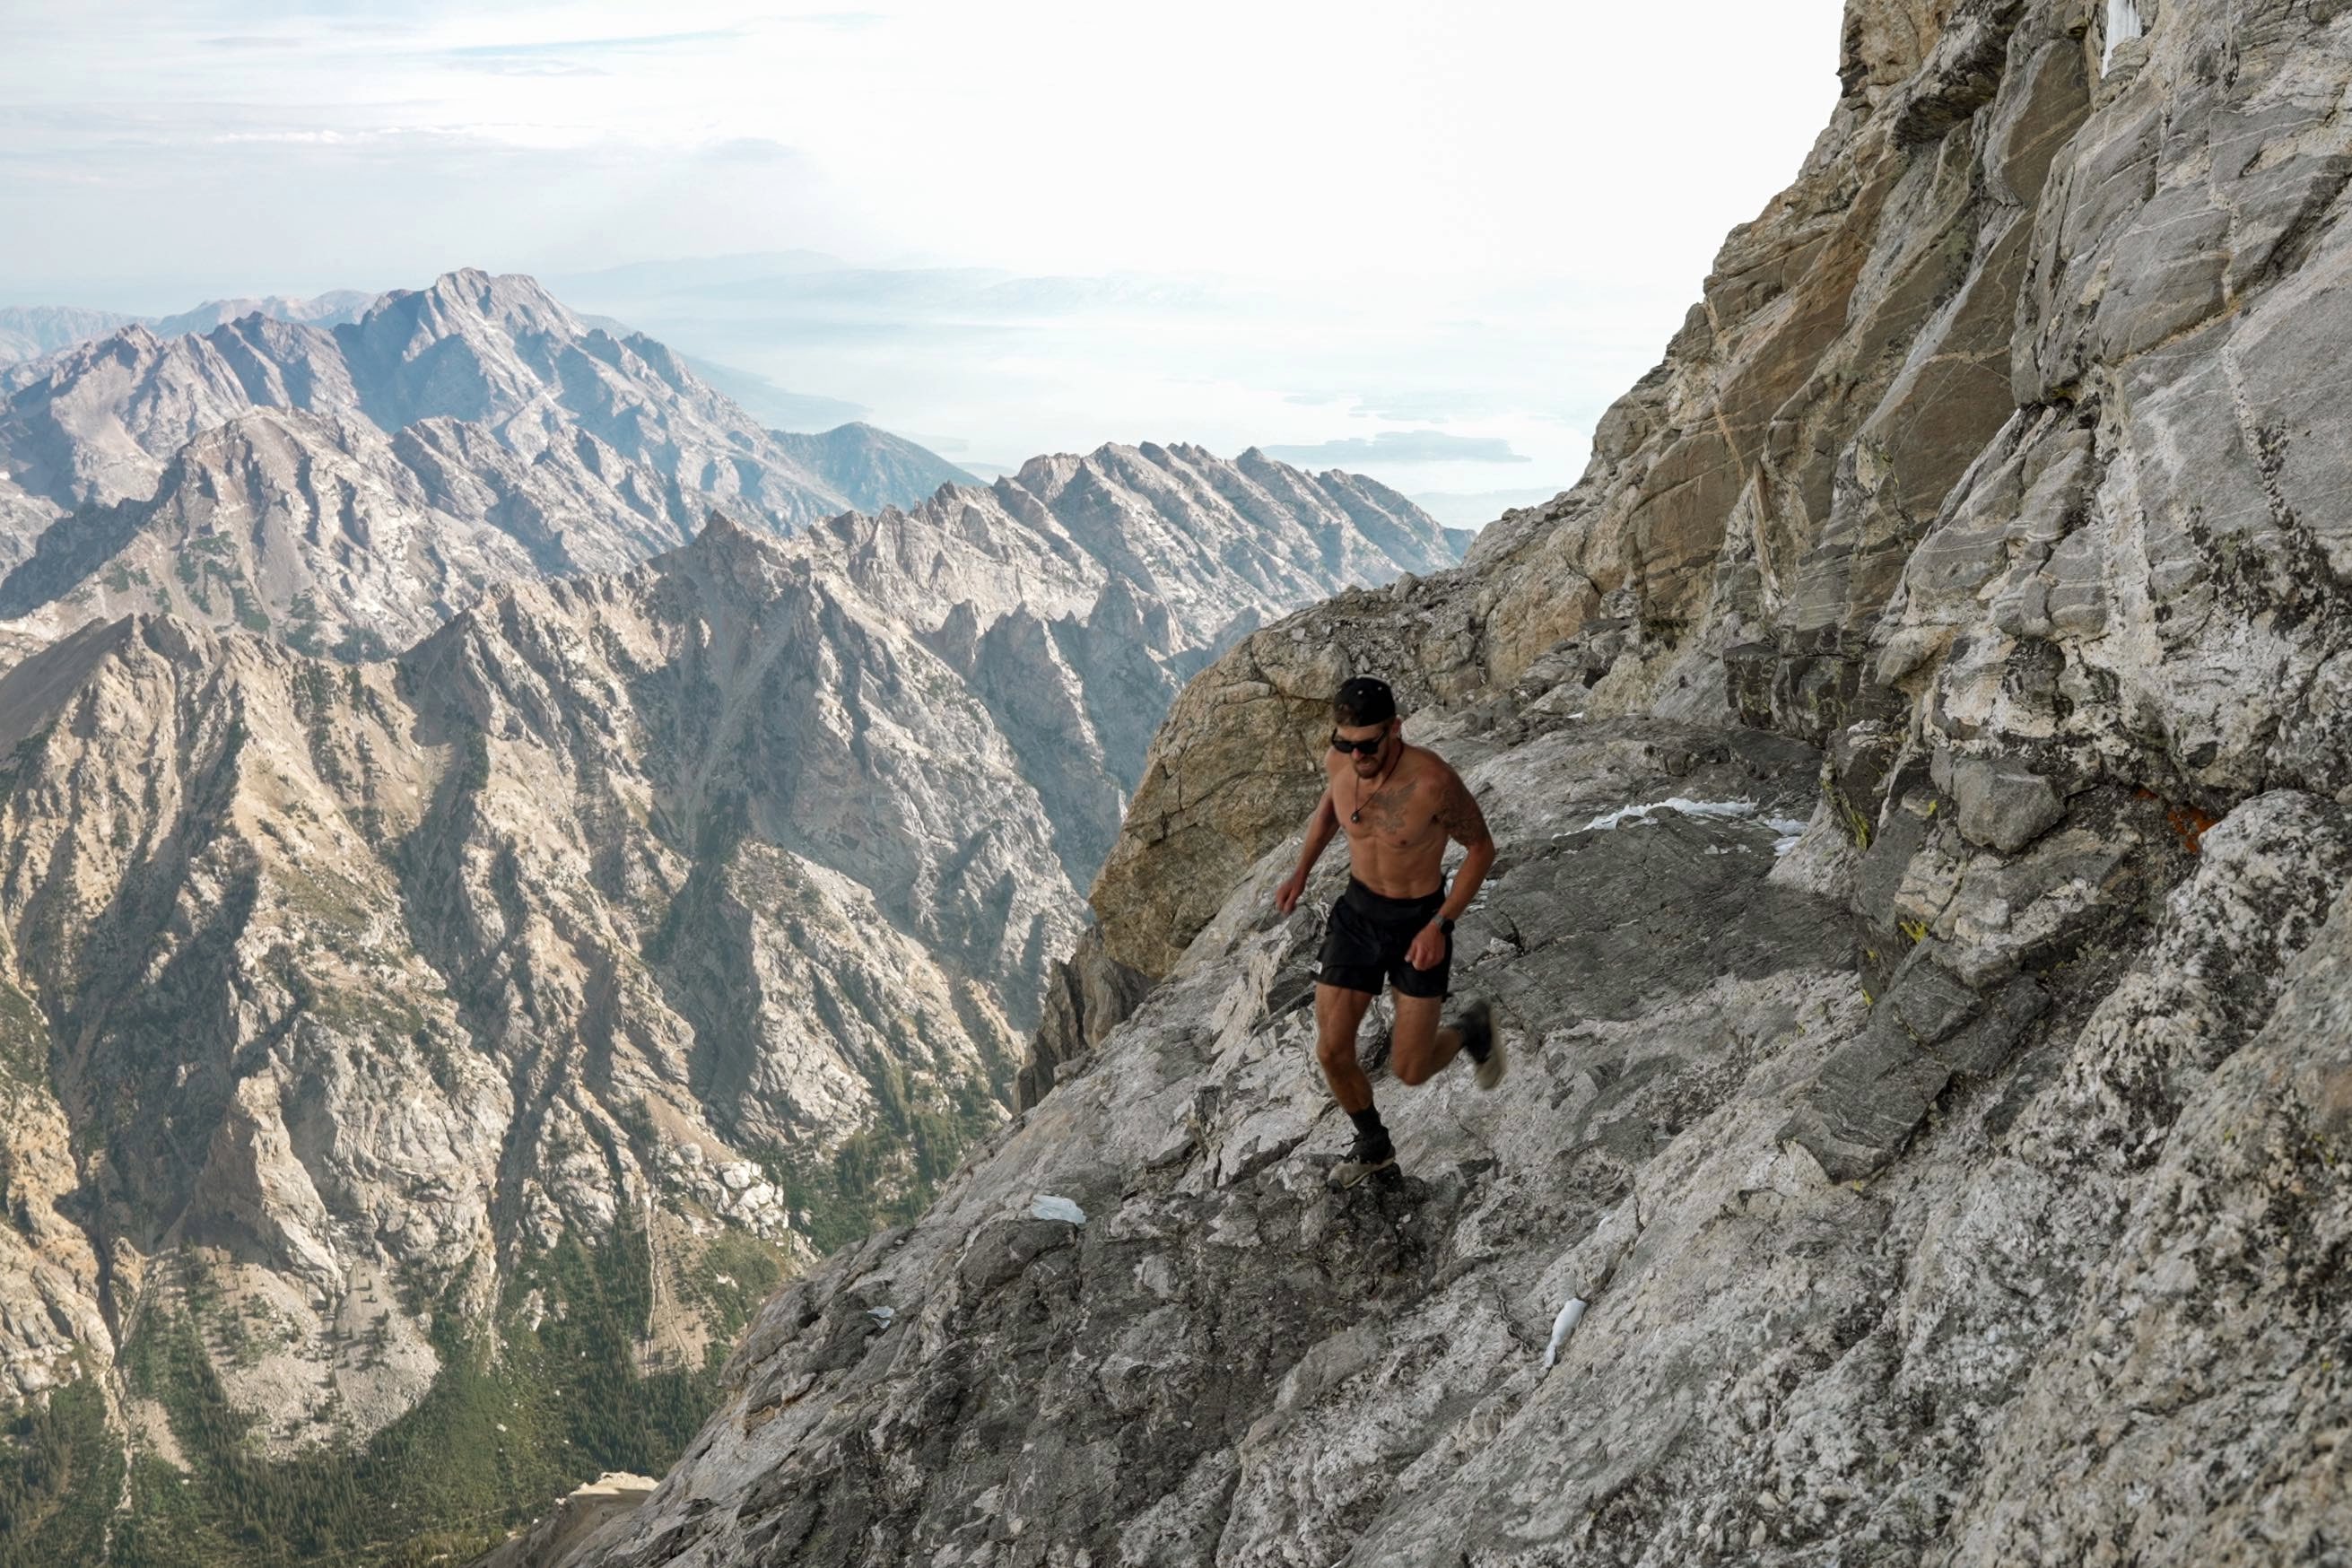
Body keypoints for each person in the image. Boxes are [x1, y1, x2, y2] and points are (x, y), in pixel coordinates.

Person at [1274, 675, 1502, 1185]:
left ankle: (1469, 1029)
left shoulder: (1432, 782)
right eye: (1345, 745)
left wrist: (1441, 925)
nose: (1357, 756)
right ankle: (1373, 1144)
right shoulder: (1343, 763)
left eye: (1369, 744)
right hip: (1358, 914)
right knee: (1332, 1051)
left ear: (1395, 729)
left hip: (1418, 921)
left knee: (1411, 1070)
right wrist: (1301, 872)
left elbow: (1482, 850)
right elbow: (1330, 815)